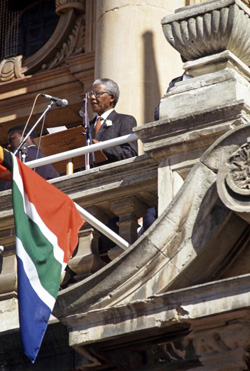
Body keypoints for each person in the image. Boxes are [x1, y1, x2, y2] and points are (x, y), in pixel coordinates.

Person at [88, 78, 138, 165]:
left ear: (112, 97)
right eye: (91, 93)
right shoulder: (87, 126)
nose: (92, 97)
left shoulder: (124, 120)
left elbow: (130, 153)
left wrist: (102, 147)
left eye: (97, 93)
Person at [0, 124, 59, 190]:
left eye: (11, 140)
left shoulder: (24, 154)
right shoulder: (37, 154)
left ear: (25, 137)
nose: (9, 146)